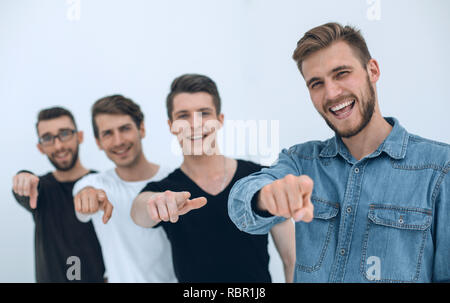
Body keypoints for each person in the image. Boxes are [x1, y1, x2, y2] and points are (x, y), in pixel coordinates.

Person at [228, 22, 450, 283]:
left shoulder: (439, 168)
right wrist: (265, 197)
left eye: (341, 73)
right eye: (316, 83)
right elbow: (240, 208)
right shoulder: (301, 162)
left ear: (372, 70)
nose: (331, 93)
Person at [131, 74, 296, 283]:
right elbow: (139, 210)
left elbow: (292, 260)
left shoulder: (260, 179)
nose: (194, 124)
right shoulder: (165, 190)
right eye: (183, 115)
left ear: (220, 120)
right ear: (171, 125)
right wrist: (155, 204)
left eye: (204, 113)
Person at [73, 95, 176, 283]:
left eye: (125, 129)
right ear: (98, 142)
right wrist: (89, 196)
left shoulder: (174, 180)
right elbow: (83, 198)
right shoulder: (93, 185)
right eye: (108, 133)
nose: (118, 141)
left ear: (141, 129)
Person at [11, 107, 105, 283]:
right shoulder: (39, 190)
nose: (58, 145)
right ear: (40, 147)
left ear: (80, 136)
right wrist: (23, 176)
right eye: (48, 138)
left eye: (64, 134)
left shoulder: (103, 185)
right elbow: (24, 193)